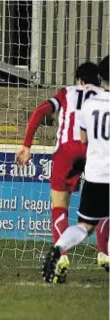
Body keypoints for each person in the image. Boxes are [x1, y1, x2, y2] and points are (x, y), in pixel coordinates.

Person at [16, 62, 108, 281]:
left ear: (79, 80)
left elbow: (40, 111)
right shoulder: (103, 96)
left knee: (60, 206)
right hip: (95, 154)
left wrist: (27, 145)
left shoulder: (67, 92)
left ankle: (62, 255)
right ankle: (104, 252)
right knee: (104, 206)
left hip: (67, 150)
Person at [43, 55, 110, 283]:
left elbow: (83, 137)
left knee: (84, 225)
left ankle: (59, 249)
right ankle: (104, 253)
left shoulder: (89, 104)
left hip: (94, 173)